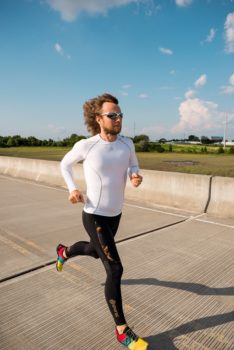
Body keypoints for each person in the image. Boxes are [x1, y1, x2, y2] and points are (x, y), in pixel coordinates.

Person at [57, 93, 148, 350]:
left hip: (115, 214)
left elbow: (133, 165)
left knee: (96, 253)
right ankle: (122, 331)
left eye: (120, 115)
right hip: (94, 213)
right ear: (99, 119)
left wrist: (134, 176)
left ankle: (64, 251)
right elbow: (65, 165)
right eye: (112, 115)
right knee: (115, 269)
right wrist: (72, 188)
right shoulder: (86, 145)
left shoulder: (127, 144)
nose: (118, 119)